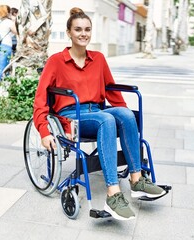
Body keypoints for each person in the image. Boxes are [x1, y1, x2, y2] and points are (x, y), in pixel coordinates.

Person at [33, 7, 166, 221]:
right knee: (106, 119)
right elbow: (40, 99)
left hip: (95, 111)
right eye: (78, 29)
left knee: (124, 114)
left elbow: (111, 90)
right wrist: (43, 131)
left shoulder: (99, 59)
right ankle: (113, 194)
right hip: (71, 116)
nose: (83, 33)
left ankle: (136, 179)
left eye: (87, 29)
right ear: (69, 32)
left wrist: (124, 116)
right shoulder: (56, 61)